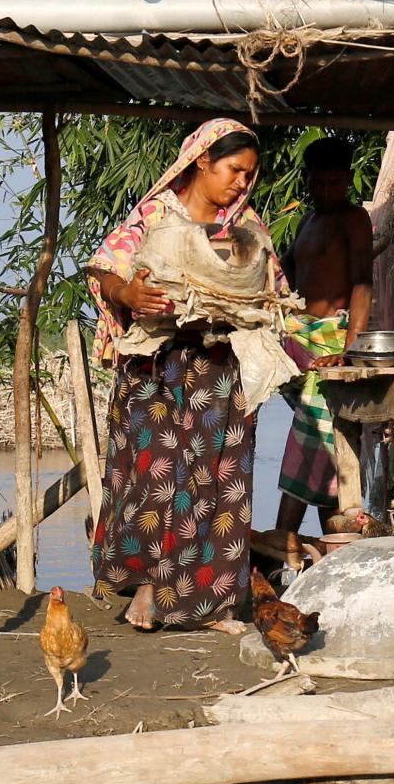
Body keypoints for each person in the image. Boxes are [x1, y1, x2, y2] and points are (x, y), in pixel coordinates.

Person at [84, 119, 281, 633]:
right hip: (158, 368)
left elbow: (273, 292)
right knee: (157, 477)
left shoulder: (247, 231)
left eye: (249, 174)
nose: (242, 182)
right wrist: (126, 294)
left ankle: (210, 605)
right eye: (234, 170)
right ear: (201, 162)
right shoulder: (155, 218)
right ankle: (149, 590)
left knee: (220, 482)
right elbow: (105, 268)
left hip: (221, 374)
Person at [276, 136, 375, 534]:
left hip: (333, 343)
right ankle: (331, 540)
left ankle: (279, 542)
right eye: (319, 183)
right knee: (325, 447)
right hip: (300, 342)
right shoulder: (307, 221)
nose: (327, 191)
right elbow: (286, 277)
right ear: (309, 181)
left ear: (348, 179)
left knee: (313, 437)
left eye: (336, 183)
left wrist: (350, 350)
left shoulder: (355, 219)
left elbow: (363, 284)